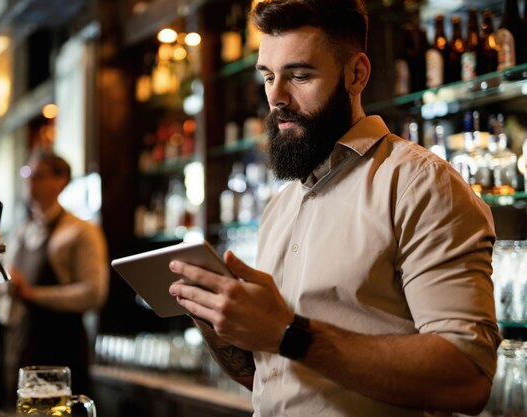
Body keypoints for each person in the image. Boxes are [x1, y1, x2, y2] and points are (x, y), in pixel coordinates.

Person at [168, 1, 502, 416]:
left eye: (300, 75)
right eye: (269, 77)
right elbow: (272, 377)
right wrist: (217, 318)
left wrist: (287, 333)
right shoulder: (281, 204)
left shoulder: (419, 183)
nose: (276, 97)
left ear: (357, 74)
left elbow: (466, 379)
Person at [0, 148, 109, 410]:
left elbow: (94, 293)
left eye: (37, 174)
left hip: (60, 351)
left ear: (60, 181)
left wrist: (31, 293)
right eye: (26, 173)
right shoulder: (23, 230)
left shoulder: (81, 231)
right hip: (21, 346)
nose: (28, 180)